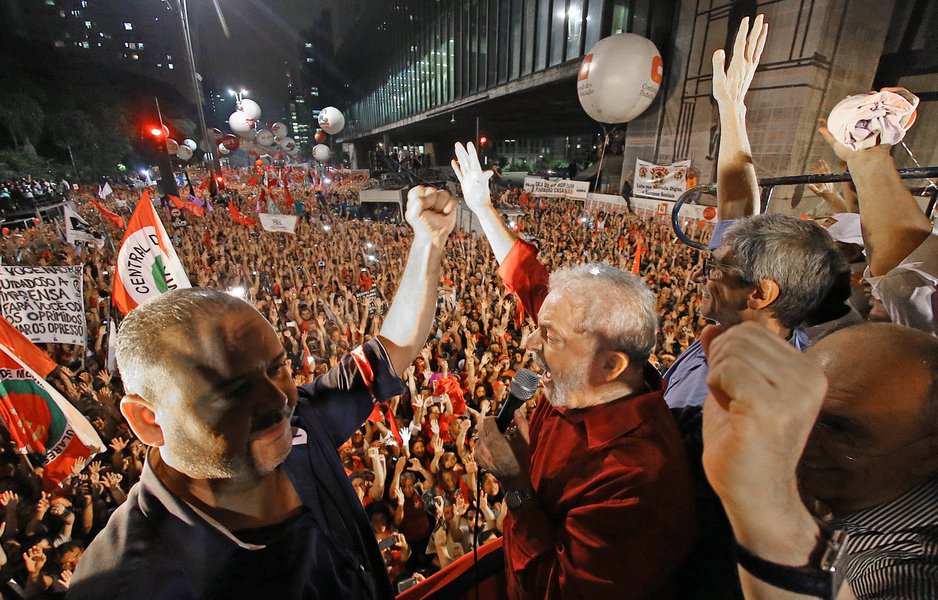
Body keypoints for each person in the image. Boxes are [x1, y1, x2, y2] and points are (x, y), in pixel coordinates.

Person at [68, 185, 457, 599]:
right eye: (234, 390)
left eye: (278, 368)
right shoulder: (130, 585)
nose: (276, 402)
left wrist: (428, 242)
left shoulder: (302, 423)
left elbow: (395, 346)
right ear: (148, 420)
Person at [455, 142, 696, 598]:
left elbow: (555, 590)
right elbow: (533, 285)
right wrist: (483, 208)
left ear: (611, 365)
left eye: (548, 336)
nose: (529, 342)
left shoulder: (635, 476)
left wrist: (515, 486)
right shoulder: (584, 366)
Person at [663, 15, 846, 410]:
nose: (700, 275)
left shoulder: (723, 397)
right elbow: (736, 206)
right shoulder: (757, 341)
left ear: (761, 293)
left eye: (716, 267)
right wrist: (732, 107)